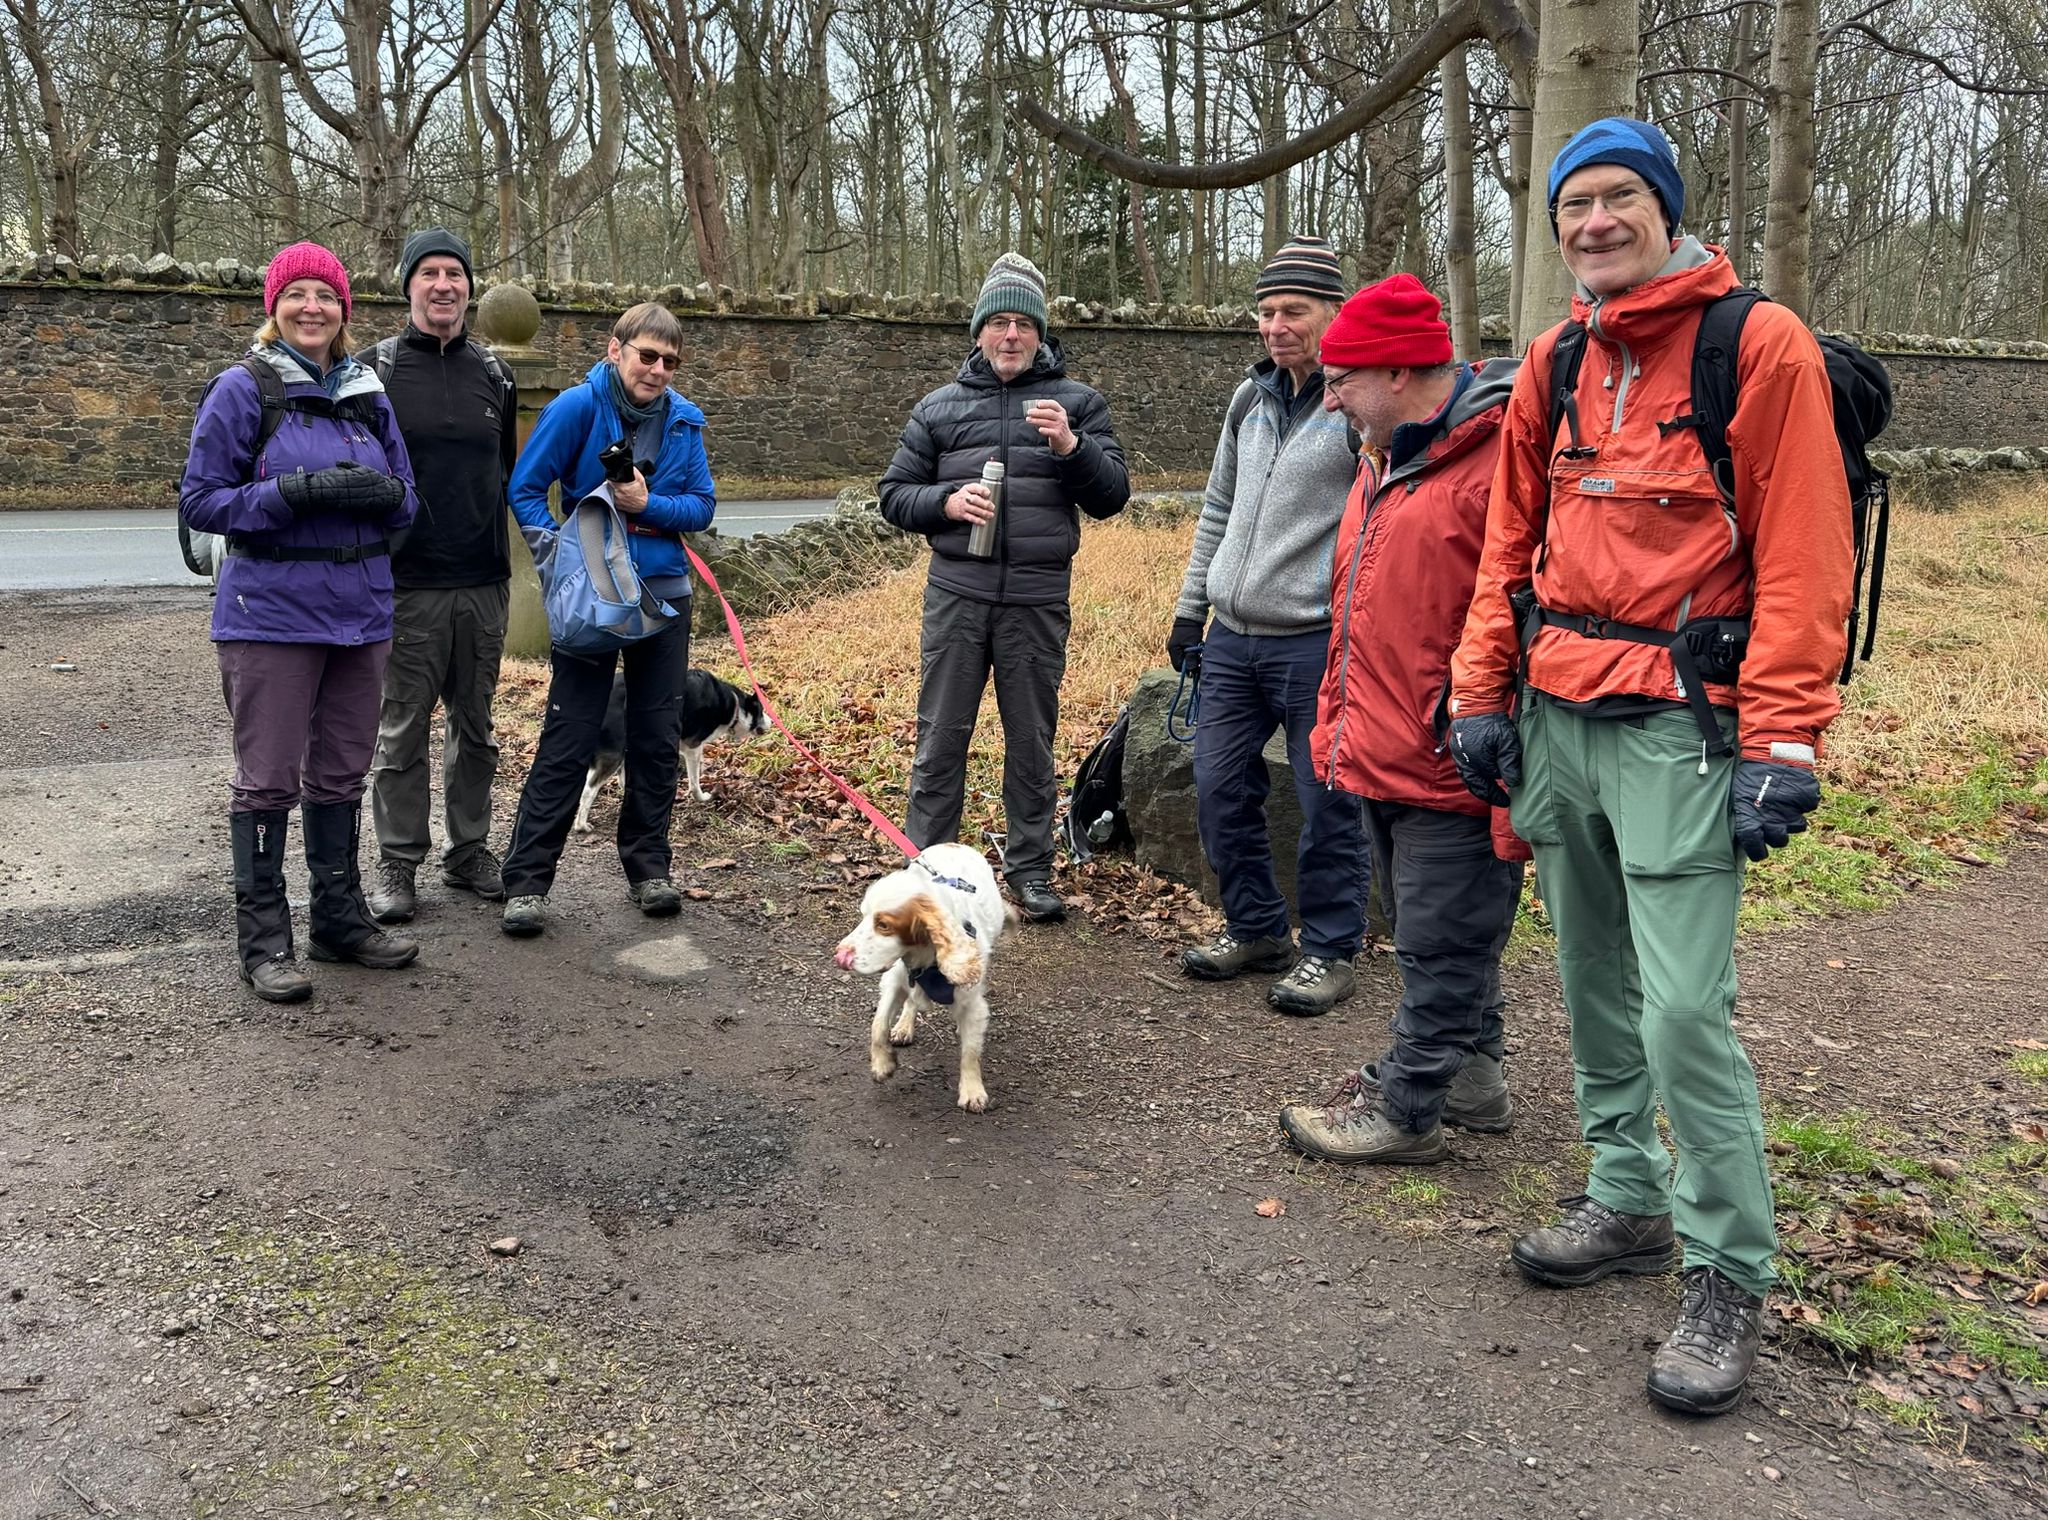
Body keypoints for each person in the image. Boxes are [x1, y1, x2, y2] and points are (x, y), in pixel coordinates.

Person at [1447, 117, 1853, 1416]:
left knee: (1685, 1011)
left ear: (1667, 208)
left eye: (1620, 197)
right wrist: (1481, 693)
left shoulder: (1758, 348)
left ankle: (1729, 1265)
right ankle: (1624, 1196)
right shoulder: (1556, 360)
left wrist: (1784, 738)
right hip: (1557, 720)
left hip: (1682, 728)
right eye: (1575, 204)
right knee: (1593, 982)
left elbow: (1801, 550)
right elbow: (1510, 534)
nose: (1595, 221)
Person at [1273, 274, 1527, 1163]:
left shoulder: (1496, 461)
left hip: (1452, 754)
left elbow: (1509, 612)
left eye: (1341, 380)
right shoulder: (1383, 458)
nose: (1329, 395)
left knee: (1438, 940)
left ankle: (1407, 1107)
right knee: (1437, 929)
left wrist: (1464, 719)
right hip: (1378, 742)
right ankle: (1473, 1080)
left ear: (1394, 370)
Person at [178, 240, 422, 1002]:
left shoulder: (367, 393)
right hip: (270, 612)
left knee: (342, 771)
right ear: (273, 307)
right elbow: (200, 502)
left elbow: (411, 499)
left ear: (344, 312)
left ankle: (339, 921)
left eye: (326, 296)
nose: (312, 307)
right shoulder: (242, 389)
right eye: (298, 295)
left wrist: (385, 499)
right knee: (268, 780)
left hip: (362, 611)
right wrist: (295, 493)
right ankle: (264, 941)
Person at [878, 252, 1130, 922]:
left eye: (1024, 324)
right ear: (980, 332)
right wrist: (945, 503)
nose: (1011, 336)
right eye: (999, 323)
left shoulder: (1078, 404)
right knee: (940, 739)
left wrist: (1072, 448)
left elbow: (1112, 497)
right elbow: (894, 496)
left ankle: (1029, 871)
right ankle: (926, 869)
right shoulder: (938, 409)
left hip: (1036, 602)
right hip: (957, 596)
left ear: (1042, 335)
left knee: (1030, 741)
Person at [1168, 234, 1366, 1014]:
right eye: (1266, 311)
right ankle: (1255, 928)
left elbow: (1378, 516)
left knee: (1328, 801)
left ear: (1333, 314)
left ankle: (1329, 947)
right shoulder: (1249, 400)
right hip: (1231, 639)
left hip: (1317, 640)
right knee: (1218, 787)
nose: (1276, 325)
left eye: (1295, 311)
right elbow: (1217, 506)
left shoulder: (1355, 402)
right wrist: (1191, 609)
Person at [498, 302, 717, 938]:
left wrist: (652, 505)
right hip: (593, 599)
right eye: (647, 355)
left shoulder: (683, 422)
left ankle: (648, 869)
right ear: (616, 348)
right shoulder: (576, 408)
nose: (656, 370)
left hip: (665, 596)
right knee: (571, 736)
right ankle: (528, 883)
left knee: (654, 737)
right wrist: (558, 554)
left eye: (669, 361)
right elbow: (525, 487)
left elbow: (701, 507)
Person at [364, 228, 519, 925]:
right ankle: (398, 862)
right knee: (401, 731)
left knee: (477, 728)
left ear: (469, 288)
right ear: (408, 287)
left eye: (454, 273)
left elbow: (510, 477)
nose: (443, 285)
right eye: (428, 273)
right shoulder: (378, 372)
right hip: (407, 585)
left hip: (483, 582)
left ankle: (469, 851)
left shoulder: (496, 377)